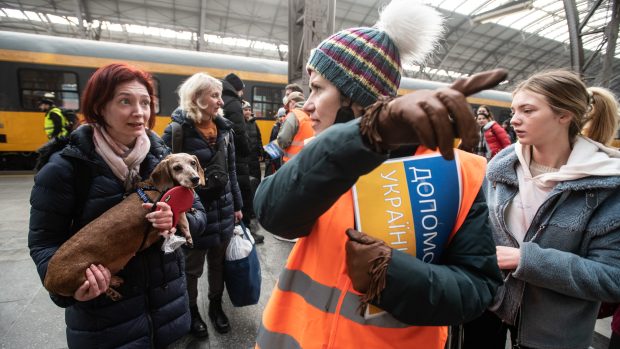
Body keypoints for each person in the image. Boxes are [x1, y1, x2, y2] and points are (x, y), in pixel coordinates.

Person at [253, 1, 505, 347]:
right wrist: (364, 135)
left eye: (318, 88)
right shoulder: (322, 159)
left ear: (355, 98)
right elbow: (272, 213)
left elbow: (478, 288)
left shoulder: (457, 172)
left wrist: (391, 276)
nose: (306, 104)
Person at [28, 63, 208, 348]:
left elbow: (198, 213)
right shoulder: (65, 170)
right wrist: (70, 291)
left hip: (168, 311)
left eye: (146, 102)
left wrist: (177, 220)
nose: (139, 112)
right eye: (125, 101)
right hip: (105, 325)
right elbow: (43, 243)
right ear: (99, 107)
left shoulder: (166, 158)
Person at [463, 70, 620, 349]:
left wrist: (526, 259)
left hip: (554, 331)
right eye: (513, 110)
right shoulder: (501, 169)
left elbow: (611, 277)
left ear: (564, 115)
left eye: (528, 110)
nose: (514, 119)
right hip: (488, 308)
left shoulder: (606, 186)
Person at [162, 72, 243, 338]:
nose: (221, 102)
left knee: (218, 263)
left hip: (223, 208)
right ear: (197, 98)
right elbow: (164, 177)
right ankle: (193, 312)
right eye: (215, 96)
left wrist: (238, 206)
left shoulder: (225, 130)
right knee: (192, 267)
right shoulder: (176, 131)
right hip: (192, 212)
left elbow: (231, 171)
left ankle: (216, 307)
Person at [241, 100, 265, 242]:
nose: (248, 112)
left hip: (254, 160)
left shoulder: (253, 124)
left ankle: (254, 209)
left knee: (256, 184)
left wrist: (261, 151)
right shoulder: (240, 124)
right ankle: (249, 212)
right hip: (246, 161)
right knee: (248, 187)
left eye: (249, 109)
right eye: (245, 109)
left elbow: (259, 138)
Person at [276, 91, 313, 163]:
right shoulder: (311, 114)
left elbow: (283, 140)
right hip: (306, 161)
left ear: (292, 102)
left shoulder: (294, 115)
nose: (287, 109)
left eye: (288, 106)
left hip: (292, 163)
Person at [263, 107, 286, 177]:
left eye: (284, 116)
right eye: (280, 116)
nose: (282, 118)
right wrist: (268, 157)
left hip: (284, 156)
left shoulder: (288, 127)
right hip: (276, 156)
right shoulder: (275, 127)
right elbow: (271, 141)